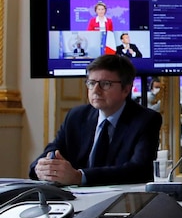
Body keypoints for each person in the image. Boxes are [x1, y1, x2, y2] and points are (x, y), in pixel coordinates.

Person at [30, 54, 162, 186]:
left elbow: (140, 170)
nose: (96, 91)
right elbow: (53, 151)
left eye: (105, 84)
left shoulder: (146, 120)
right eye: (91, 83)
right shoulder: (76, 116)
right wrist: (43, 167)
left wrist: (79, 177)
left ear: (126, 90)